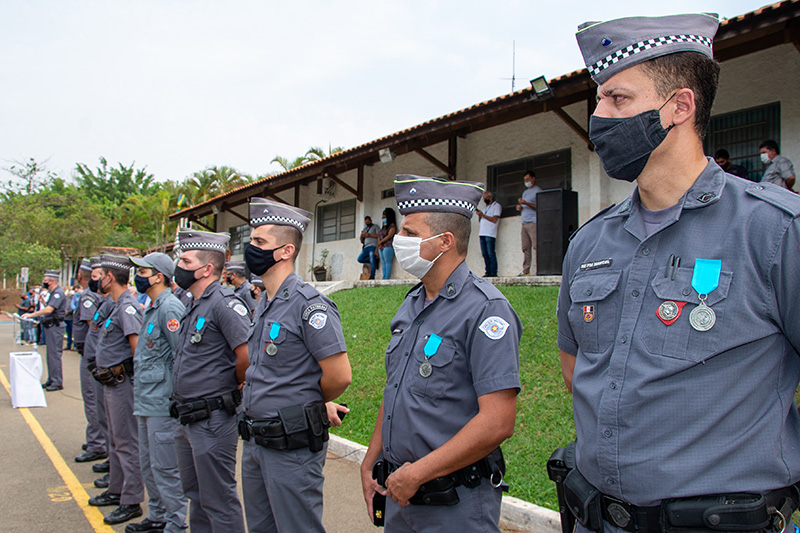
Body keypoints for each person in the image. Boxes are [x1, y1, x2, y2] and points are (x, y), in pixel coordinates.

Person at [556, 13, 800, 533]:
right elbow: (576, 367)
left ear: (680, 107)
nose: (598, 116)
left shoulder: (775, 231)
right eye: (599, 99)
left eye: (617, 99)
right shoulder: (589, 243)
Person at [360, 175, 522, 532]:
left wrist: (418, 473)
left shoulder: (486, 311)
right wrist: (372, 457)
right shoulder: (411, 304)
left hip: (453, 504)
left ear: (445, 241)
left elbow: (498, 421)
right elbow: (396, 388)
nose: (397, 240)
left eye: (410, 234)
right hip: (400, 493)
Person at [240, 198, 352, 532]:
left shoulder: (309, 305)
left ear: (286, 251)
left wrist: (308, 398)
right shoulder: (264, 303)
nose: (251, 249)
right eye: (252, 241)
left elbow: (339, 376)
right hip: (256, 441)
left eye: (260, 242)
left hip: (290, 445)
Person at [171, 228, 250, 533]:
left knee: (218, 499)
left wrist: (228, 383)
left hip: (212, 418)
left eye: (186, 260)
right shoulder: (194, 303)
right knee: (196, 496)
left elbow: (245, 354)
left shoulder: (224, 303)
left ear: (206, 269)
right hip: (187, 416)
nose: (179, 265)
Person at [127, 252, 188, 533]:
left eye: (142, 272)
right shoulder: (153, 307)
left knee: (166, 469)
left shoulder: (169, 308)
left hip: (163, 402)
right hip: (146, 400)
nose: (138, 277)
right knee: (149, 465)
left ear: (158, 276)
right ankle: (158, 516)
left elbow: (181, 357)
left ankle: (175, 524)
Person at [88, 253, 144, 525]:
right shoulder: (113, 305)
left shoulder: (127, 307)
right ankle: (117, 489)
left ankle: (131, 499)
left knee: (126, 442)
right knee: (115, 439)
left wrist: (120, 370)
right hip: (111, 384)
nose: (96, 280)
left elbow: (137, 351)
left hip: (122, 384)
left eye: (100, 275)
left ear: (110, 277)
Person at [73, 258, 108, 464]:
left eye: (98, 277)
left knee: (93, 400)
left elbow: (93, 327)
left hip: (93, 355)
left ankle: (97, 443)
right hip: (91, 353)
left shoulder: (89, 297)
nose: (96, 280)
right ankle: (98, 439)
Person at [84, 257, 113, 485]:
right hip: (97, 365)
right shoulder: (106, 302)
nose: (96, 281)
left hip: (114, 375)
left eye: (98, 277)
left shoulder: (121, 306)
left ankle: (121, 482)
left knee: (119, 430)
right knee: (102, 415)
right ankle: (112, 465)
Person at [23, 270, 67, 391]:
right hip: (50, 326)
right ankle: (52, 379)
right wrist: (43, 301)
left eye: (46, 280)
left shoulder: (58, 293)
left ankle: (57, 381)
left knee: (54, 355)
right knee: (50, 355)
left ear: (51, 281)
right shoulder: (53, 293)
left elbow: (48, 310)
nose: (44, 283)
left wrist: (31, 315)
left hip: (55, 326)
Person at [517, 170, 542, 276]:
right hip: (524, 223)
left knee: (536, 246)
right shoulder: (525, 192)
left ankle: (540, 269)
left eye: (527, 179)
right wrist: (520, 207)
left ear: (533, 178)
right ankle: (526, 270)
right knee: (525, 247)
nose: (526, 181)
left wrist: (526, 203)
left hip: (533, 222)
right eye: (524, 180)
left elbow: (540, 206)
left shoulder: (538, 190)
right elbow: (525, 206)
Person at [475, 190, 502, 277]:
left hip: (490, 233)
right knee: (485, 254)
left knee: (490, 253)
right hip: (482, 233)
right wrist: (480, 215)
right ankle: (488, 271)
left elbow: (494, 220)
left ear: (490, 198)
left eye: (485, 198)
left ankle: (493, 272)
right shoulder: (485, 208)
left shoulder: (496, 206)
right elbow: (480, 221)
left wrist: (483, 215)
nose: (484, 200)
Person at [377, 207, 397, 280]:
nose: (383, 218)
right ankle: (384, 276)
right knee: (383, 262)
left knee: (387, 261)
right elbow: (379, 235)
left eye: (384, 216)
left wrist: (380, 242)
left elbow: (389, 236)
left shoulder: (392, 226)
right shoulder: (384, 227)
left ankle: (387, 277)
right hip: (381, 246)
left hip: (388, 246)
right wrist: (379, 243)